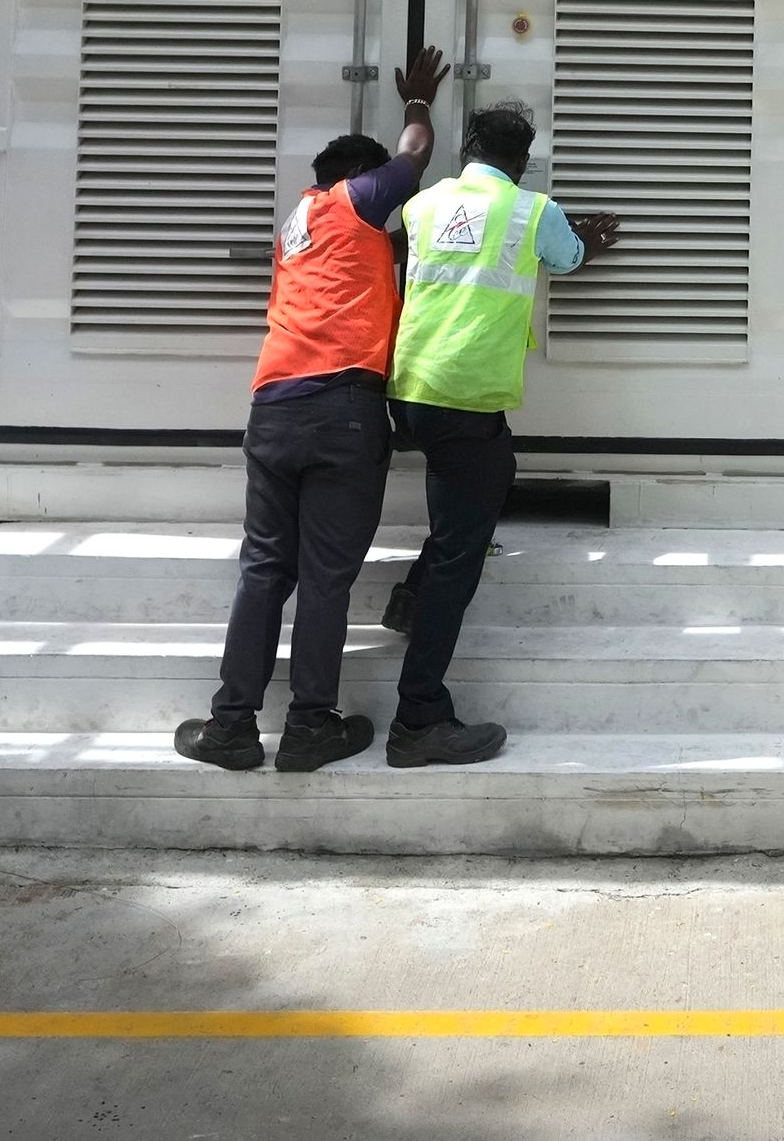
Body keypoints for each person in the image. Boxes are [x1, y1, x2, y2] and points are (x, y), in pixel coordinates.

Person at [175, 41, 448, 776]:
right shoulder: (355, 200)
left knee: (265, 567)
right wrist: (417, 101)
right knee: (325, 575)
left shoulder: (299, 230)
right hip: (341, 410)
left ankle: (231, 725)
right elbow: (415, 152)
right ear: (358, 180)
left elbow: (390, 253)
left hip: (273, 406)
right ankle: (309, 725)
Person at [373, 100, 619, 769]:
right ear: (524, 160)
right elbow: (566, 258)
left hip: (412, 390)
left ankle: (412, 593)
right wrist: (592, 244)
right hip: (468, 395)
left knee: (481, 492)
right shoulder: (534, 211)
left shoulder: (423, 206)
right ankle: (418, 720)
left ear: (468, 151)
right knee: (463, 548)